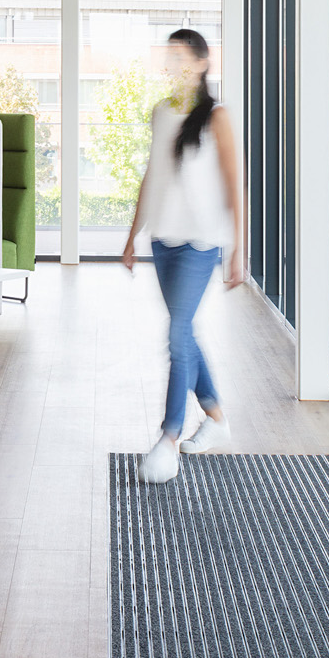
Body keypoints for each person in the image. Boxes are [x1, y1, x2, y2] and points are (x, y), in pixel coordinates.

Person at [121, 27, 247, 484]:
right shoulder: (161, 112)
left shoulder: (216, 116)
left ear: (200, 64)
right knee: (184, 333)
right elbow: (152, 175)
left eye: (180, 56)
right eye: (168, 56)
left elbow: (235, 184)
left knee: (177, 333)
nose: (172, 64)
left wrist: (239, 250)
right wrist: (132, 237)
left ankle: (168, 438)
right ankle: (216, 419)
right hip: (164, 240)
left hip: (201, 242)